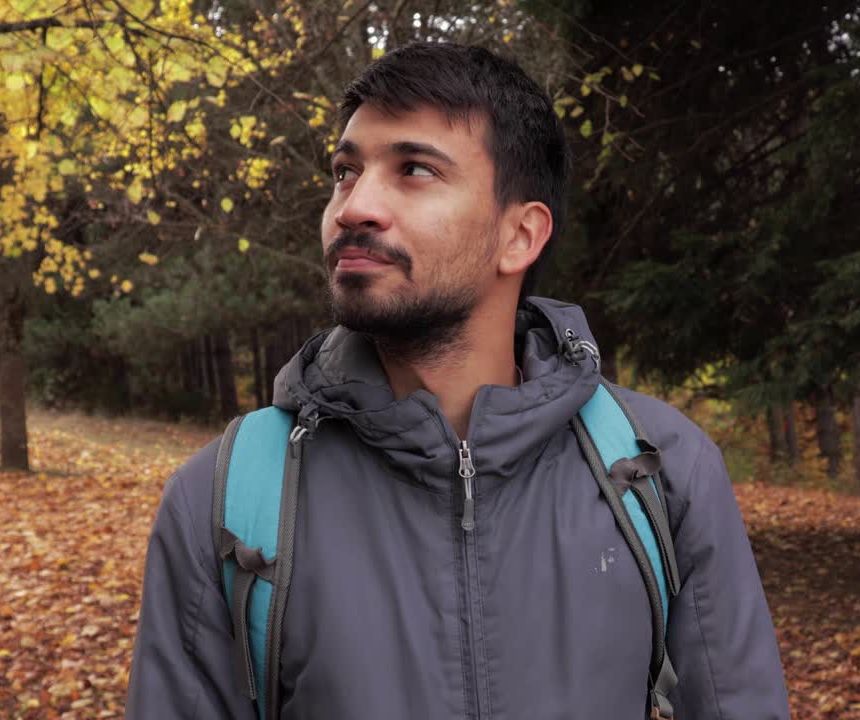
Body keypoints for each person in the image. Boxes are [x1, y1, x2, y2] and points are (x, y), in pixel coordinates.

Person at [126, 41, 789, 719]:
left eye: (413, 169)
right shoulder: (227, 497)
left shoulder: (661, 473)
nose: (355, 207)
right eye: (345, 173)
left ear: (520, 237)